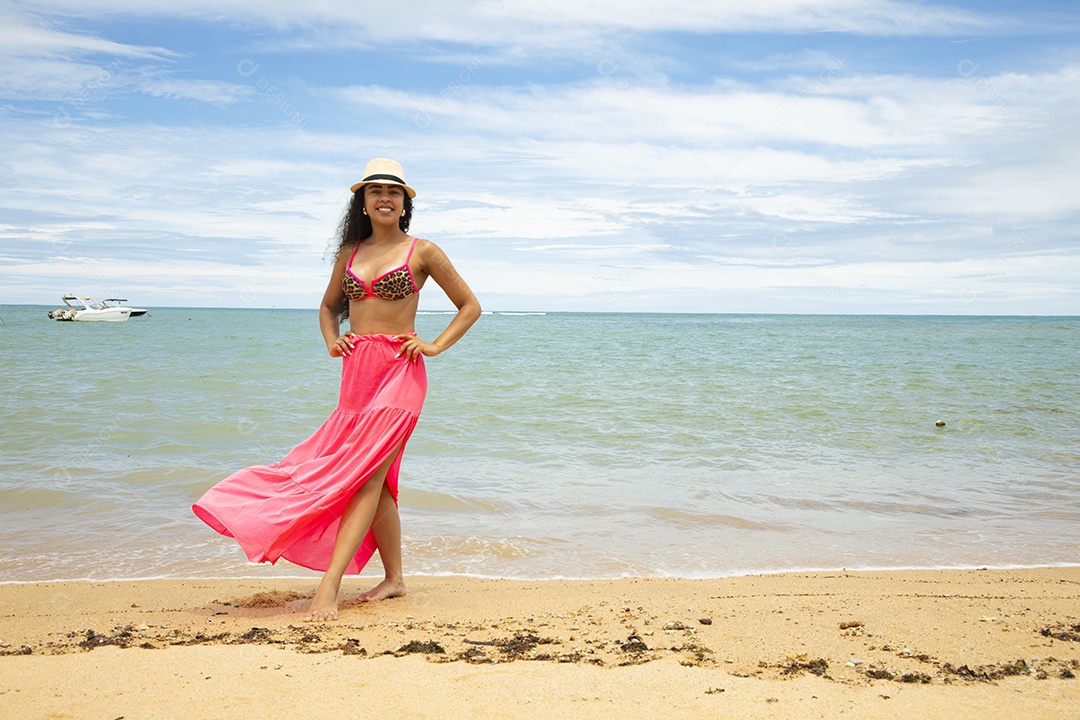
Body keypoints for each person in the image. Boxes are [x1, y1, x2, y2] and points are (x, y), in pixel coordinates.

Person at [193, 158, 481, 622]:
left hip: (401, 373)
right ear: (363, 203)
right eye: (374, 191)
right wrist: (333, 342)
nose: (384, 197)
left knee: (364, 474)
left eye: (393, 191)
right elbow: (328, 309)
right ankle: (395, 579)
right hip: (356, 378)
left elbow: (470, 306)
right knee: (378, 480)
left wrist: (433, 346)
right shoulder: (349, 253)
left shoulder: (424, 251)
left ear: (405, 202)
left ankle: (329, 585)